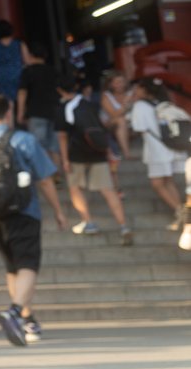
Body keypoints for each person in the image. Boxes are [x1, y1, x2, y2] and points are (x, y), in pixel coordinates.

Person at [0, 94, 69, 346]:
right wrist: (59, 210)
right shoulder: (23, 140)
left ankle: (27, 320)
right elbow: (46, 179)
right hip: (25, 211)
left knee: (11, 266)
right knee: (28, 264)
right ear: (8, 113)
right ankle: (16, 311)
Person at [57, 75, 132, 244]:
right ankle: (123, 226)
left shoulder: (63, 108)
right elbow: (101, 127)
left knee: (75, 188)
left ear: (59, 90)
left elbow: (62, 136)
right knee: (108, 190)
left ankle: (88, 222)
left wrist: (65, 159)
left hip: (76, 153)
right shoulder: (90, 104)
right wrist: (108, 151)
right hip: (98, 151)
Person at [129, 79, 190, 228]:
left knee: (157, 183)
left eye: (137, 88)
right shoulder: (163, 103)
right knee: (168, 181)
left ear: (144, 90)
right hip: (171, 148)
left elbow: (139, 127)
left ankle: (182, 214)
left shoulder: (140, 106)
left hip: (156, 150)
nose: (134, 91)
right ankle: (181, 214)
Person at [16, 43, 61, 161]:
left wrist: (20, 112)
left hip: (35, 112)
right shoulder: (53, 71)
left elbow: (22, 93)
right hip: (54, 111)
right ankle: (58, 175)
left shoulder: (27, 71)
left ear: (31, 55)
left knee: (39, 147)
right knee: (55, 147)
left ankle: (47, 177)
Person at [0, 20, 29, 102]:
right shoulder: (20, 43)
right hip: (17, 74)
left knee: (5, 101)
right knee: (20, 99)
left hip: (1, 75)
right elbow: (27, 60)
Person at [100, 72, 134, 161]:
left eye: (122, 81)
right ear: (111, 84)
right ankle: (127, 153)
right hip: (109, 122)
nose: (120, 85)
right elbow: (113, 114)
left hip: (131, 121)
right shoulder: (106, 95)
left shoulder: (132, 93)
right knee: (121, 120)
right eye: (117, 82)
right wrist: (126, 104)